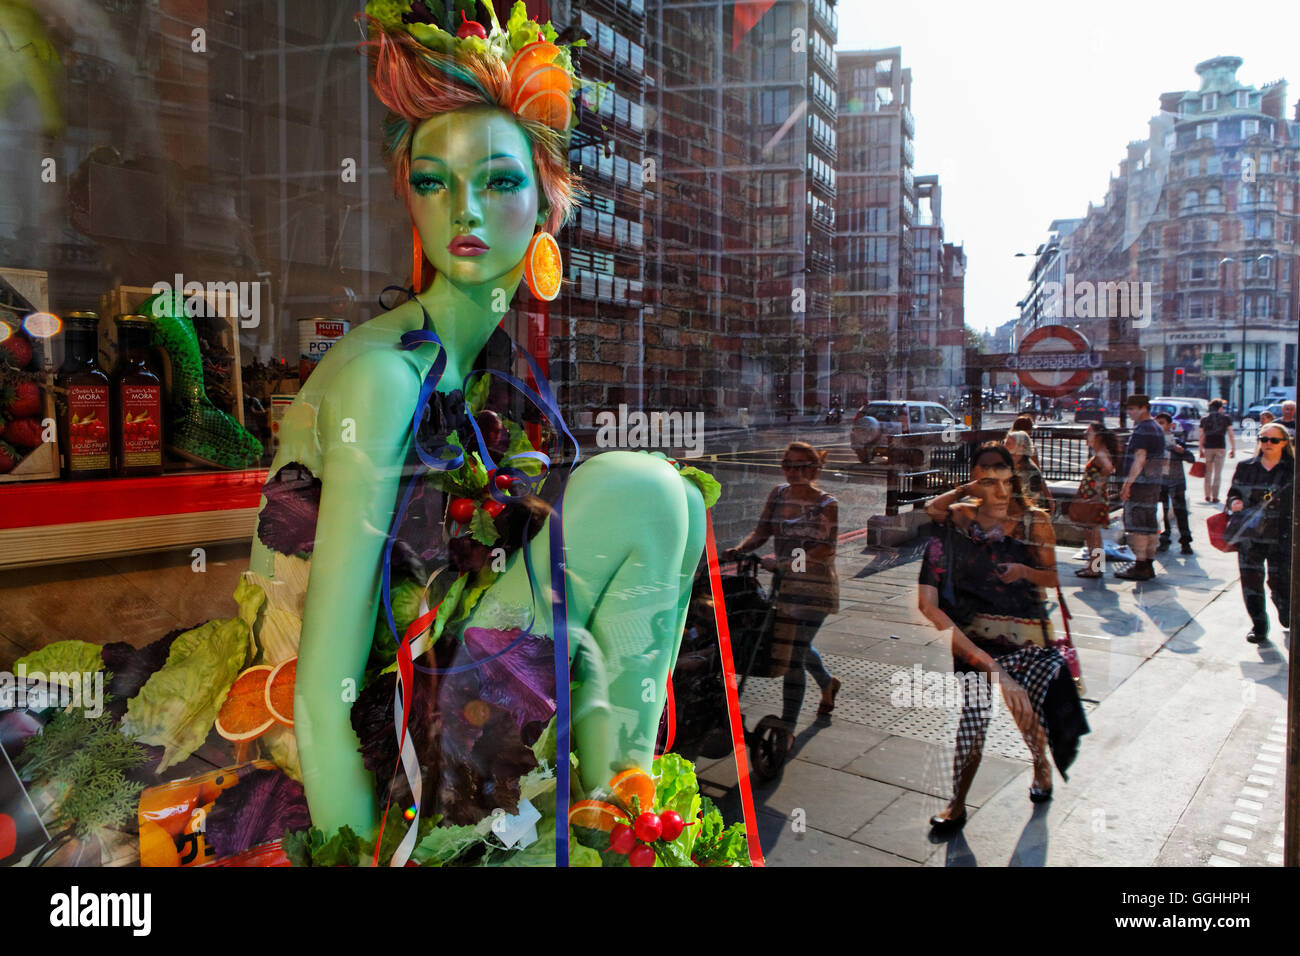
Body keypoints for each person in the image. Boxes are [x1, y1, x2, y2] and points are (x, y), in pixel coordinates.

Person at [244, 5, 710, 839]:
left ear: (545, 208)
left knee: (681, 501)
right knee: (638, 488)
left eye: (496, 182)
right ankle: (601, 816)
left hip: (438, 682)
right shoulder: (385, 377)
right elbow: (320, 690)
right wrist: (354, 857)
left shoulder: (467, 369)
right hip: (373, 740)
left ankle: (614, 808)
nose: (462, 209)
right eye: (433, 182)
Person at [917, 444, 1068, 830]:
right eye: (984, 471)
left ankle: (1040, 766)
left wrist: (1022, 570)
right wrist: (970, 487)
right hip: (975, 635)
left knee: (1025, 713)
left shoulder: (1034, 520)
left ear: (1012, 473)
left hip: (1024, 635)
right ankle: (957, 802)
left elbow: (1052, 577)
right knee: (972, 717)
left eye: (999, 469)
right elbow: (931, 511)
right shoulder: (960, 518)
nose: (993, 477)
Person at [724, 442, 841, 745]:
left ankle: (787, 727)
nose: (793, 472)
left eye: (801, 466)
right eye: (788, 465)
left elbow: (825, 548)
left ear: (815, 469)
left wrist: (786, 563)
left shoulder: (827, 504)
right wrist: (740, 549)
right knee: (796, 647)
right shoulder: (777, 495)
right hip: (785, 588)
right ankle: (828, 683)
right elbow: (762, 531)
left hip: (815, 590)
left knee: (793, 656)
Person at [1225, 422, 1294, 644]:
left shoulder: (1292, 469)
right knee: (1251, 581)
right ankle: (1259, 626)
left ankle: (1285, 607)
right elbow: (1233, 492)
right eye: (1263, 439)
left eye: (1273, 440)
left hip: (1282, 535)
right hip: (1250, 535)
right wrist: (1234, 501)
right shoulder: (1246, 467)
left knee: (1280, 580)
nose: (1267, 444)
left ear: (1284, 442)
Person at [1114, 394, 1165, 581]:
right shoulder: (1156, 427)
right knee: (1150, 525)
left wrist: (1128, 484)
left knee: (1138, 527)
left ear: (1144, 408)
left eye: (1132, 409)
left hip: (1141, 484)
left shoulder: (1142, 429)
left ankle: (1140, 565)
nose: (1130, 413)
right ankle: (1148, 564)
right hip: (1153, 483)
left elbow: (1139, 458)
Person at [1073, 423, 1119, 578]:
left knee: (1093, 535)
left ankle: (1095, 567)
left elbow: (1108, 467)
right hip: (1093, 498)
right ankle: (1094, 566)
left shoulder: (1101, 454)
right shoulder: (1099, 452)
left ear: (1098, 436)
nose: (1086, 436)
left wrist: (1097, 487)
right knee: (1093, 534)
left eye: (1089, 433)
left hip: (1093, 499)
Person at [1155, 412, 1194, 554]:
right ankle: (1164, 539)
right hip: (1161, 481)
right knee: (1163, 511)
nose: (1159, 426)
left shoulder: (1176, 441)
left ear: (1170, 425)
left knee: (1180, 512)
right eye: (1157, 423)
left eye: (1162, 423)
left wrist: (1181, 451)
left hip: (1176, 481)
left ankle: (1185, 542)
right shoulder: (1155, 441)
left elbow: (1191, 458)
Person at [1005, 429, 1053, 512]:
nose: (1005, 446)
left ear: (1021, 447)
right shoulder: (1012, 466)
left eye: (1008, 443)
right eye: (1005, 442)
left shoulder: (1030, 472)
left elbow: (1032, 503)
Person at [1198, 398, 1236, 503]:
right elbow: (1231, 434)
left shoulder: (1204, 419)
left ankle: (1207, 495)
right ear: (1220, 408)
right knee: (1218, 473)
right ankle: (1215, 496)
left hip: (1208, 447)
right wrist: (1233, 448)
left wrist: (1200, 449)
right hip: (1220, 447)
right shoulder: (1226, 419)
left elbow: (1202, 435)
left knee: (1208, 472)